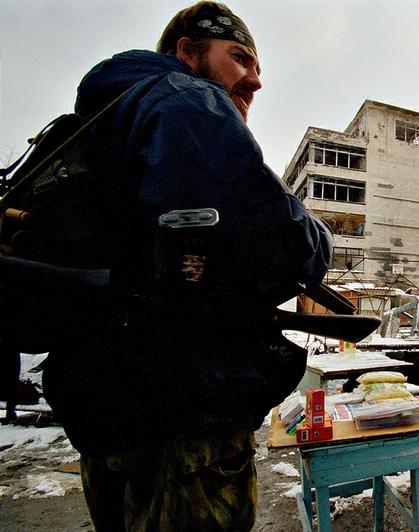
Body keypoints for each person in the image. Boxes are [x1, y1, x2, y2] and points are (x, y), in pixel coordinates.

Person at [40, 2, 332, 530]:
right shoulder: (189, 101)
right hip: (183, 411)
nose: (254, 81)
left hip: (107, 407)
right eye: (239, 59)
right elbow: (279, 237)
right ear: (187, 53)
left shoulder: (112, 115)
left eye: (259, 68)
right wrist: (321, 238)